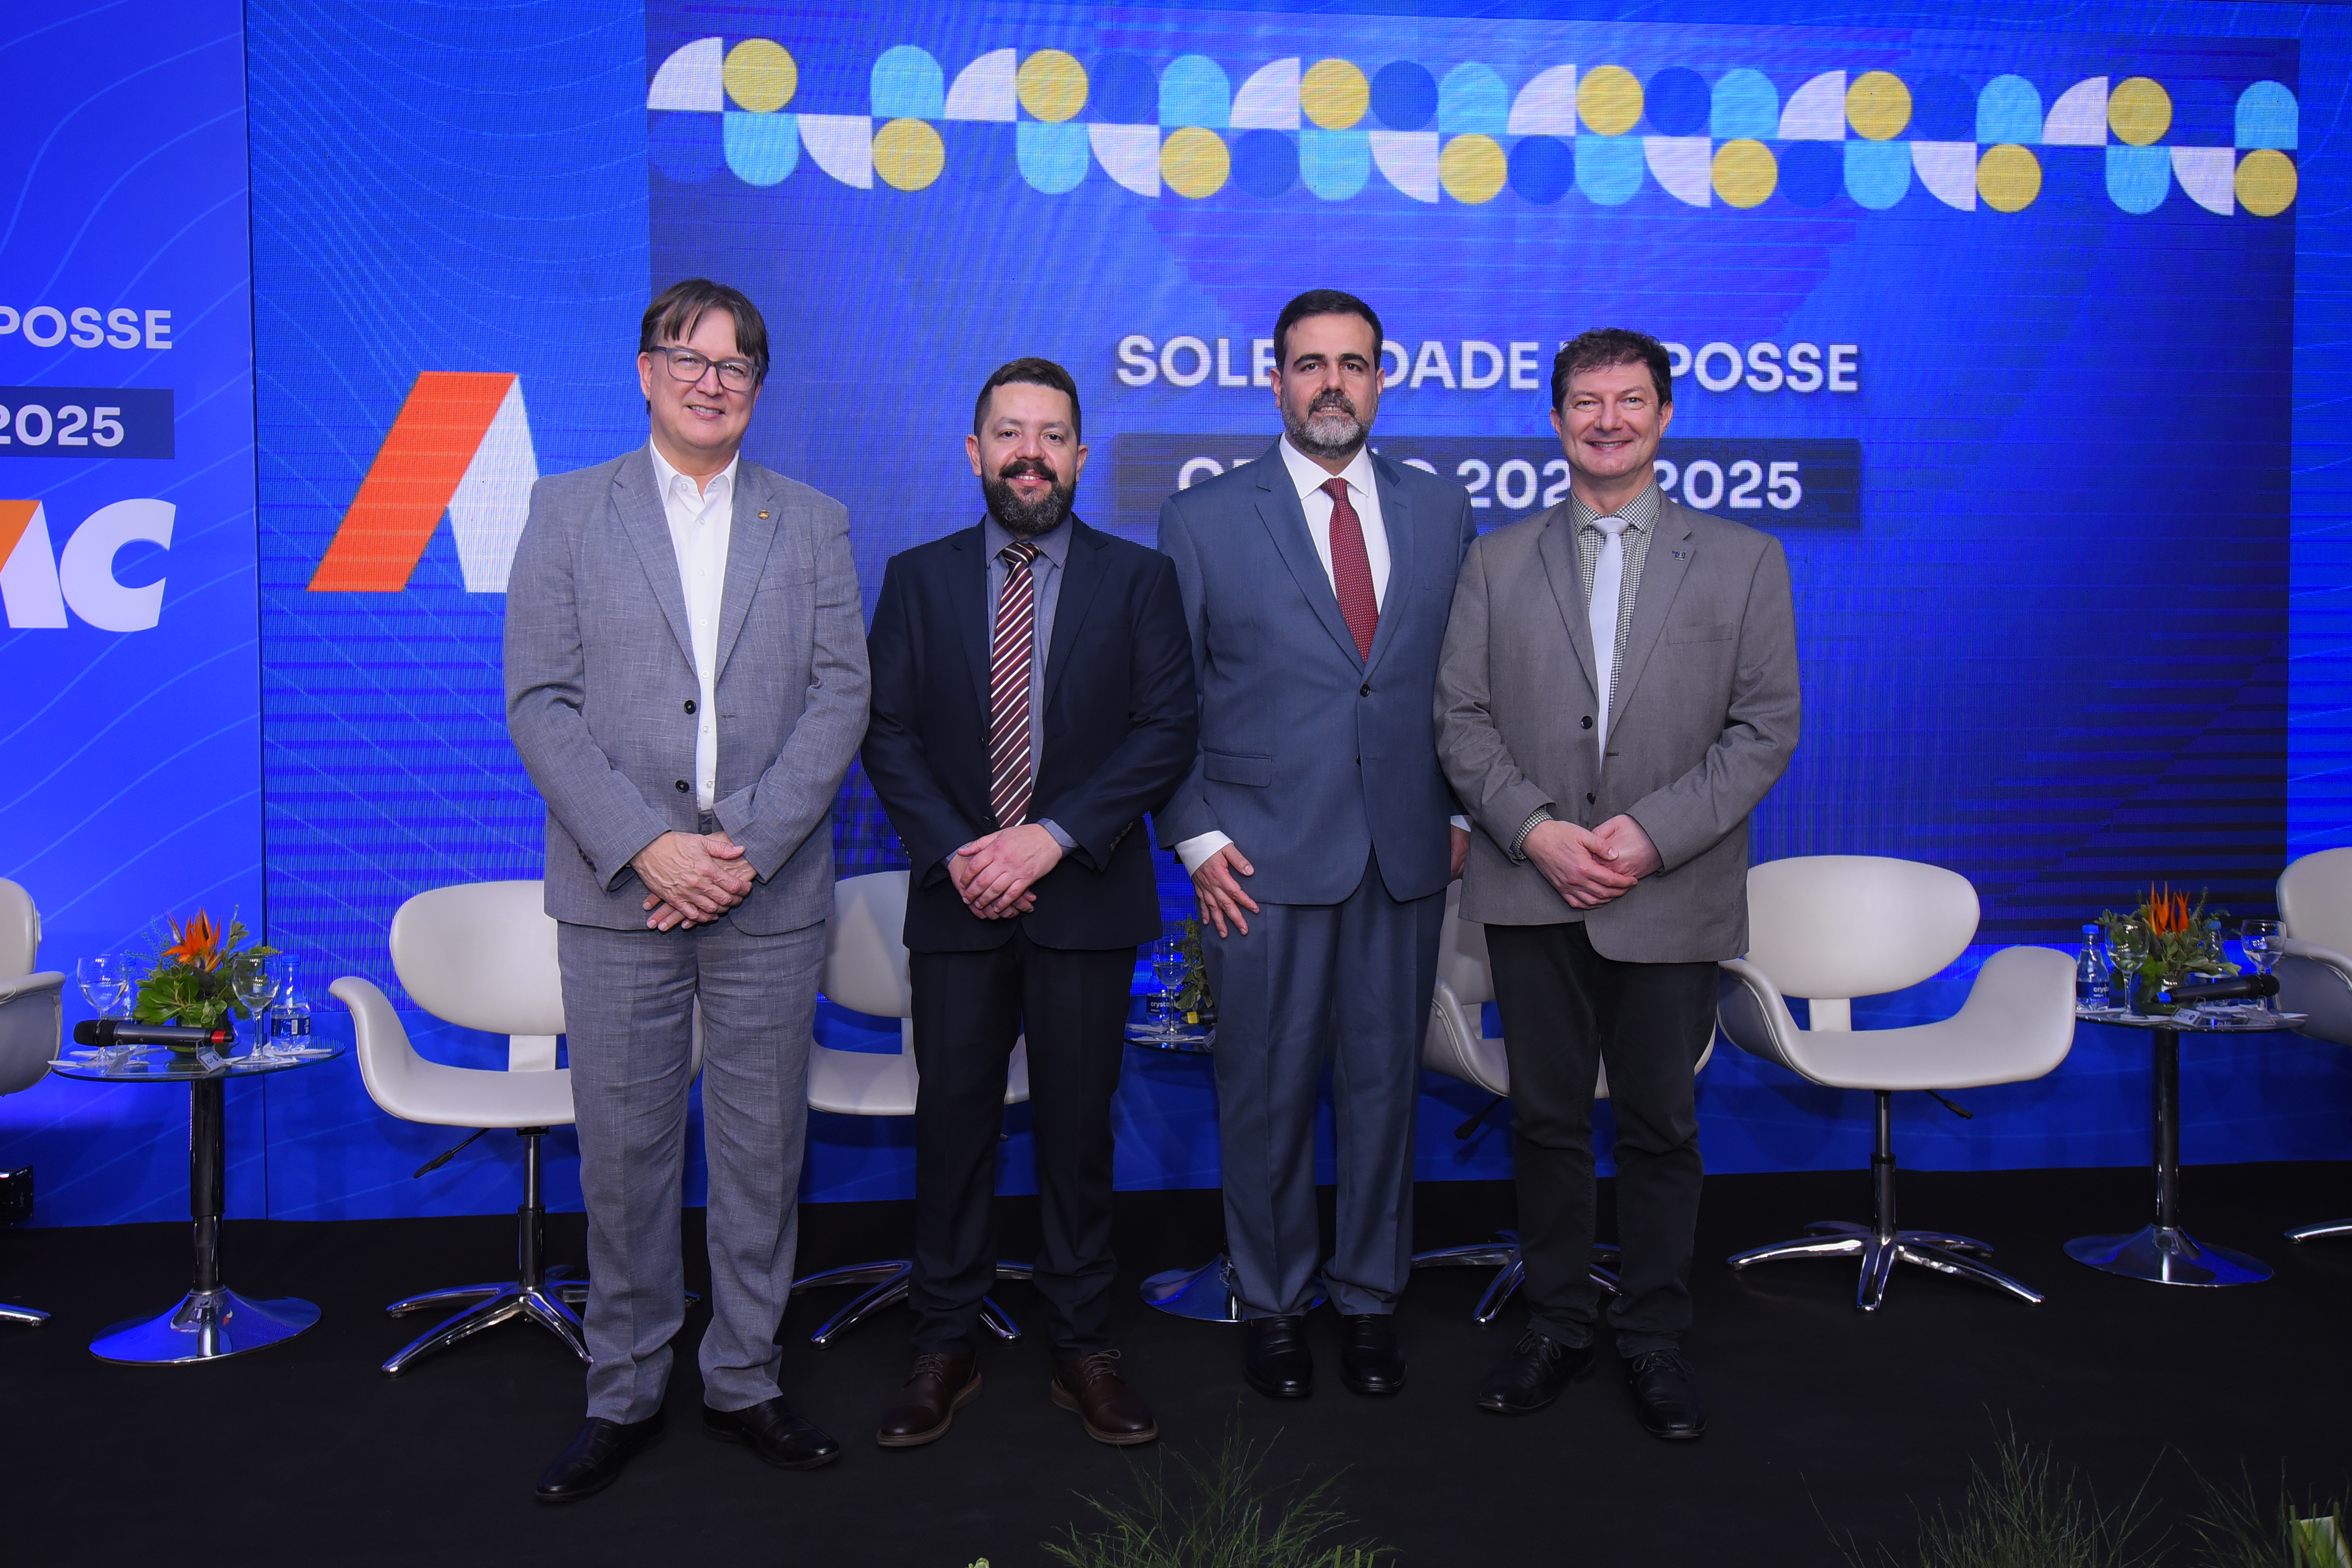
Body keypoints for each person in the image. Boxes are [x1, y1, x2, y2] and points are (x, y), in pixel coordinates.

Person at [505, 278, 870, 1500]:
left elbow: (842, 698)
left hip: (768, 890)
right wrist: (650, 846)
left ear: (758, 385)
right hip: (619, 892)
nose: (713, 381)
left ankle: (746, 1379)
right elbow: (540, 704)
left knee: (763, 1155)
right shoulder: (566, 510)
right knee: (625, 1157)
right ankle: (622, 1390)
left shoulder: (812, 522)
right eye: (689, 357)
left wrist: (742, 849)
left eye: (736, 364)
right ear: (646, 370)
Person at [1434, 328, 1799, 1440]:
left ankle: (1652, 1336)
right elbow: (1460, 720)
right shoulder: (1494, 561)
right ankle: (1556, 1325)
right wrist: (1536, 831)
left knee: (1660, 1129)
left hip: (1669, 893)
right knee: (1545, 1123)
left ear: (1665, 415)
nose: (1608, 421)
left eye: (1630, 401)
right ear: (1556, 420)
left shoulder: (1743, 559)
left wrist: (1651, 835)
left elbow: (1765, 727)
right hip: (1530, 885)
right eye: (1586, 403)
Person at [860, 358, 1197, 1448]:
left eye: (1053, 436)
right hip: (959, 898)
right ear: (975, 451)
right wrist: (964, 852)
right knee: (952, 1129)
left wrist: (1048, 839)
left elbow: (1165, 732)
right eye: (1011, 433)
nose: (1031, 455)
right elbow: (886, 732)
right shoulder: (915, 579)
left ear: (1081, 457)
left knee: (1078, 1132)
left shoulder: (1138, 580)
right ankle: (943, 1341)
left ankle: (1083, 1343)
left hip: (1085, 896)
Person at [1156, 289, 1477, 1401]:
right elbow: (1166, 697)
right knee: (1265, 1094)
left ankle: (1371, 1299)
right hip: (1257, 861)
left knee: (1386, 1093)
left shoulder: (1441, 510)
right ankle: (1274, 1301)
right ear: (1275, 380)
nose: (1332, 383)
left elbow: (1465, 683)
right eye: (1310, 364)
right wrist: (1195, 836)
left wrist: (1464, 814)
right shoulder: (1203, 517)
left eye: (1353, 364)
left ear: (1382, 379)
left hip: (1405, 852)